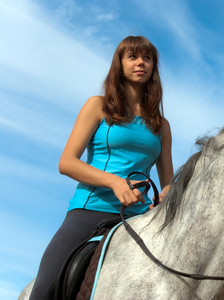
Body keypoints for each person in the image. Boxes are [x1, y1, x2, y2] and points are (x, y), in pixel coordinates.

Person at [29, 36, 174, 299]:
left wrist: (164, 196)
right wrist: (115, 182)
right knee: (44, 290)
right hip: (91, 209)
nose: (141, 62)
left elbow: (168, 182)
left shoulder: (161, 126)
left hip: (140, 219)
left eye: (147, 58)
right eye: (132, 56)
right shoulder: (98, 106)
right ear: (119, 64)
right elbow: (67, 162)